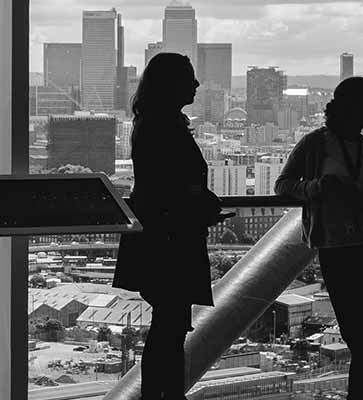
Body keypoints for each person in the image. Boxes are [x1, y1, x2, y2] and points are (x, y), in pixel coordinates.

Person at [273, 77, 363, 400]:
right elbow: (284, 184)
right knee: (360, 336)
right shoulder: (315, 145)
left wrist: (348, 191)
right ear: (354, 108)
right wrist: (318, 188)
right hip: (352, 248)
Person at [112, 52, 225, 400]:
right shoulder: (165, 125)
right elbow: (170, 185)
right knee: (169, 330)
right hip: (172, 240)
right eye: (189, 77)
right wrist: (199, 202)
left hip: (161, 237)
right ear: (171, 84)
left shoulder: (152, 122)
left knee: (167, 327)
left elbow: (159, 185)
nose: (196, 83)